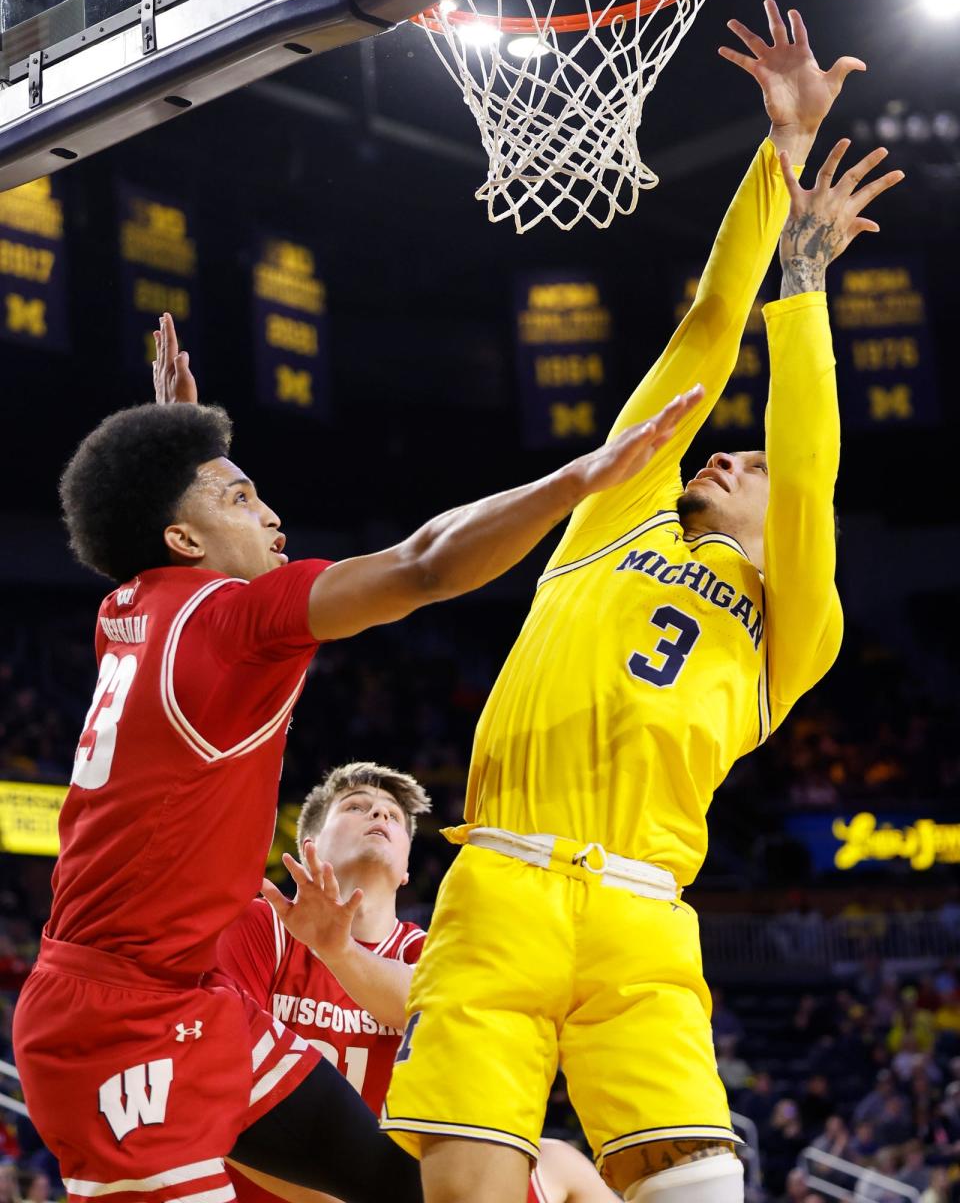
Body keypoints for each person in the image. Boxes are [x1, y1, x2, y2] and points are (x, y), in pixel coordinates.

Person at [382, 0, 905, 1203]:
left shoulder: (793, 630)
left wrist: (813, 279)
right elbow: (709, 332)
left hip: (643, 915)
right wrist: (777, 163)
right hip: (500, 885)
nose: (727, 457)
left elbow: (809, 456)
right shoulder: (614, 518)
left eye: (747, 464)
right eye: (723, 454)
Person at [13, 323, 702, 1203]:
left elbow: (154, 515)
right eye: (241, 498)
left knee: (404, 1189)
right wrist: (579, 480)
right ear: (184, 541)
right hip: (113, 1032)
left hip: (187, 1005)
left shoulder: (129, 602)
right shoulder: (237, 620)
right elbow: (422, 566)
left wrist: (174, 443)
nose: (271, 517)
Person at [217, 762, 615, 1203]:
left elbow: (426, 1001)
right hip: (290, 1187)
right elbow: (213, 1075)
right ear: (311, 844)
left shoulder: (432, 953)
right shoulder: (265, 926)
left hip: (396, 1186)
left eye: (393, 816)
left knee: (562, 1163)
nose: (380, 816)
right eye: (356, 807)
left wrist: (340, 952)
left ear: (406, 867)